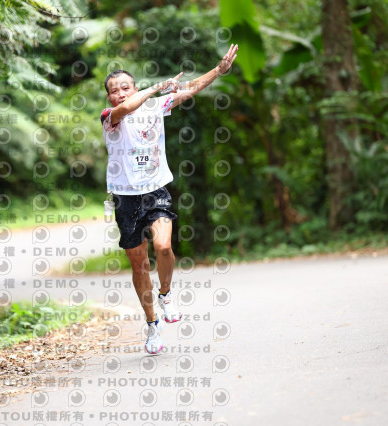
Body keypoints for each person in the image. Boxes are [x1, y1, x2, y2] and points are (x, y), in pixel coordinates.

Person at [100, 44, 239, 354]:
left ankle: (166, 294)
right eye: (114, 90)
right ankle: (152, 326)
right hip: (125, 198)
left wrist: (218, 71)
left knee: (163, 246)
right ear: (109, 98)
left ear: (133, 87)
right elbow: (126, 109)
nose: (120, 93)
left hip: (155, 191)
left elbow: (190, 88)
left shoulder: (155, 107)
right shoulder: (110, 117)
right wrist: (153, 88)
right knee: (139, 266)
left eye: (125, 87)